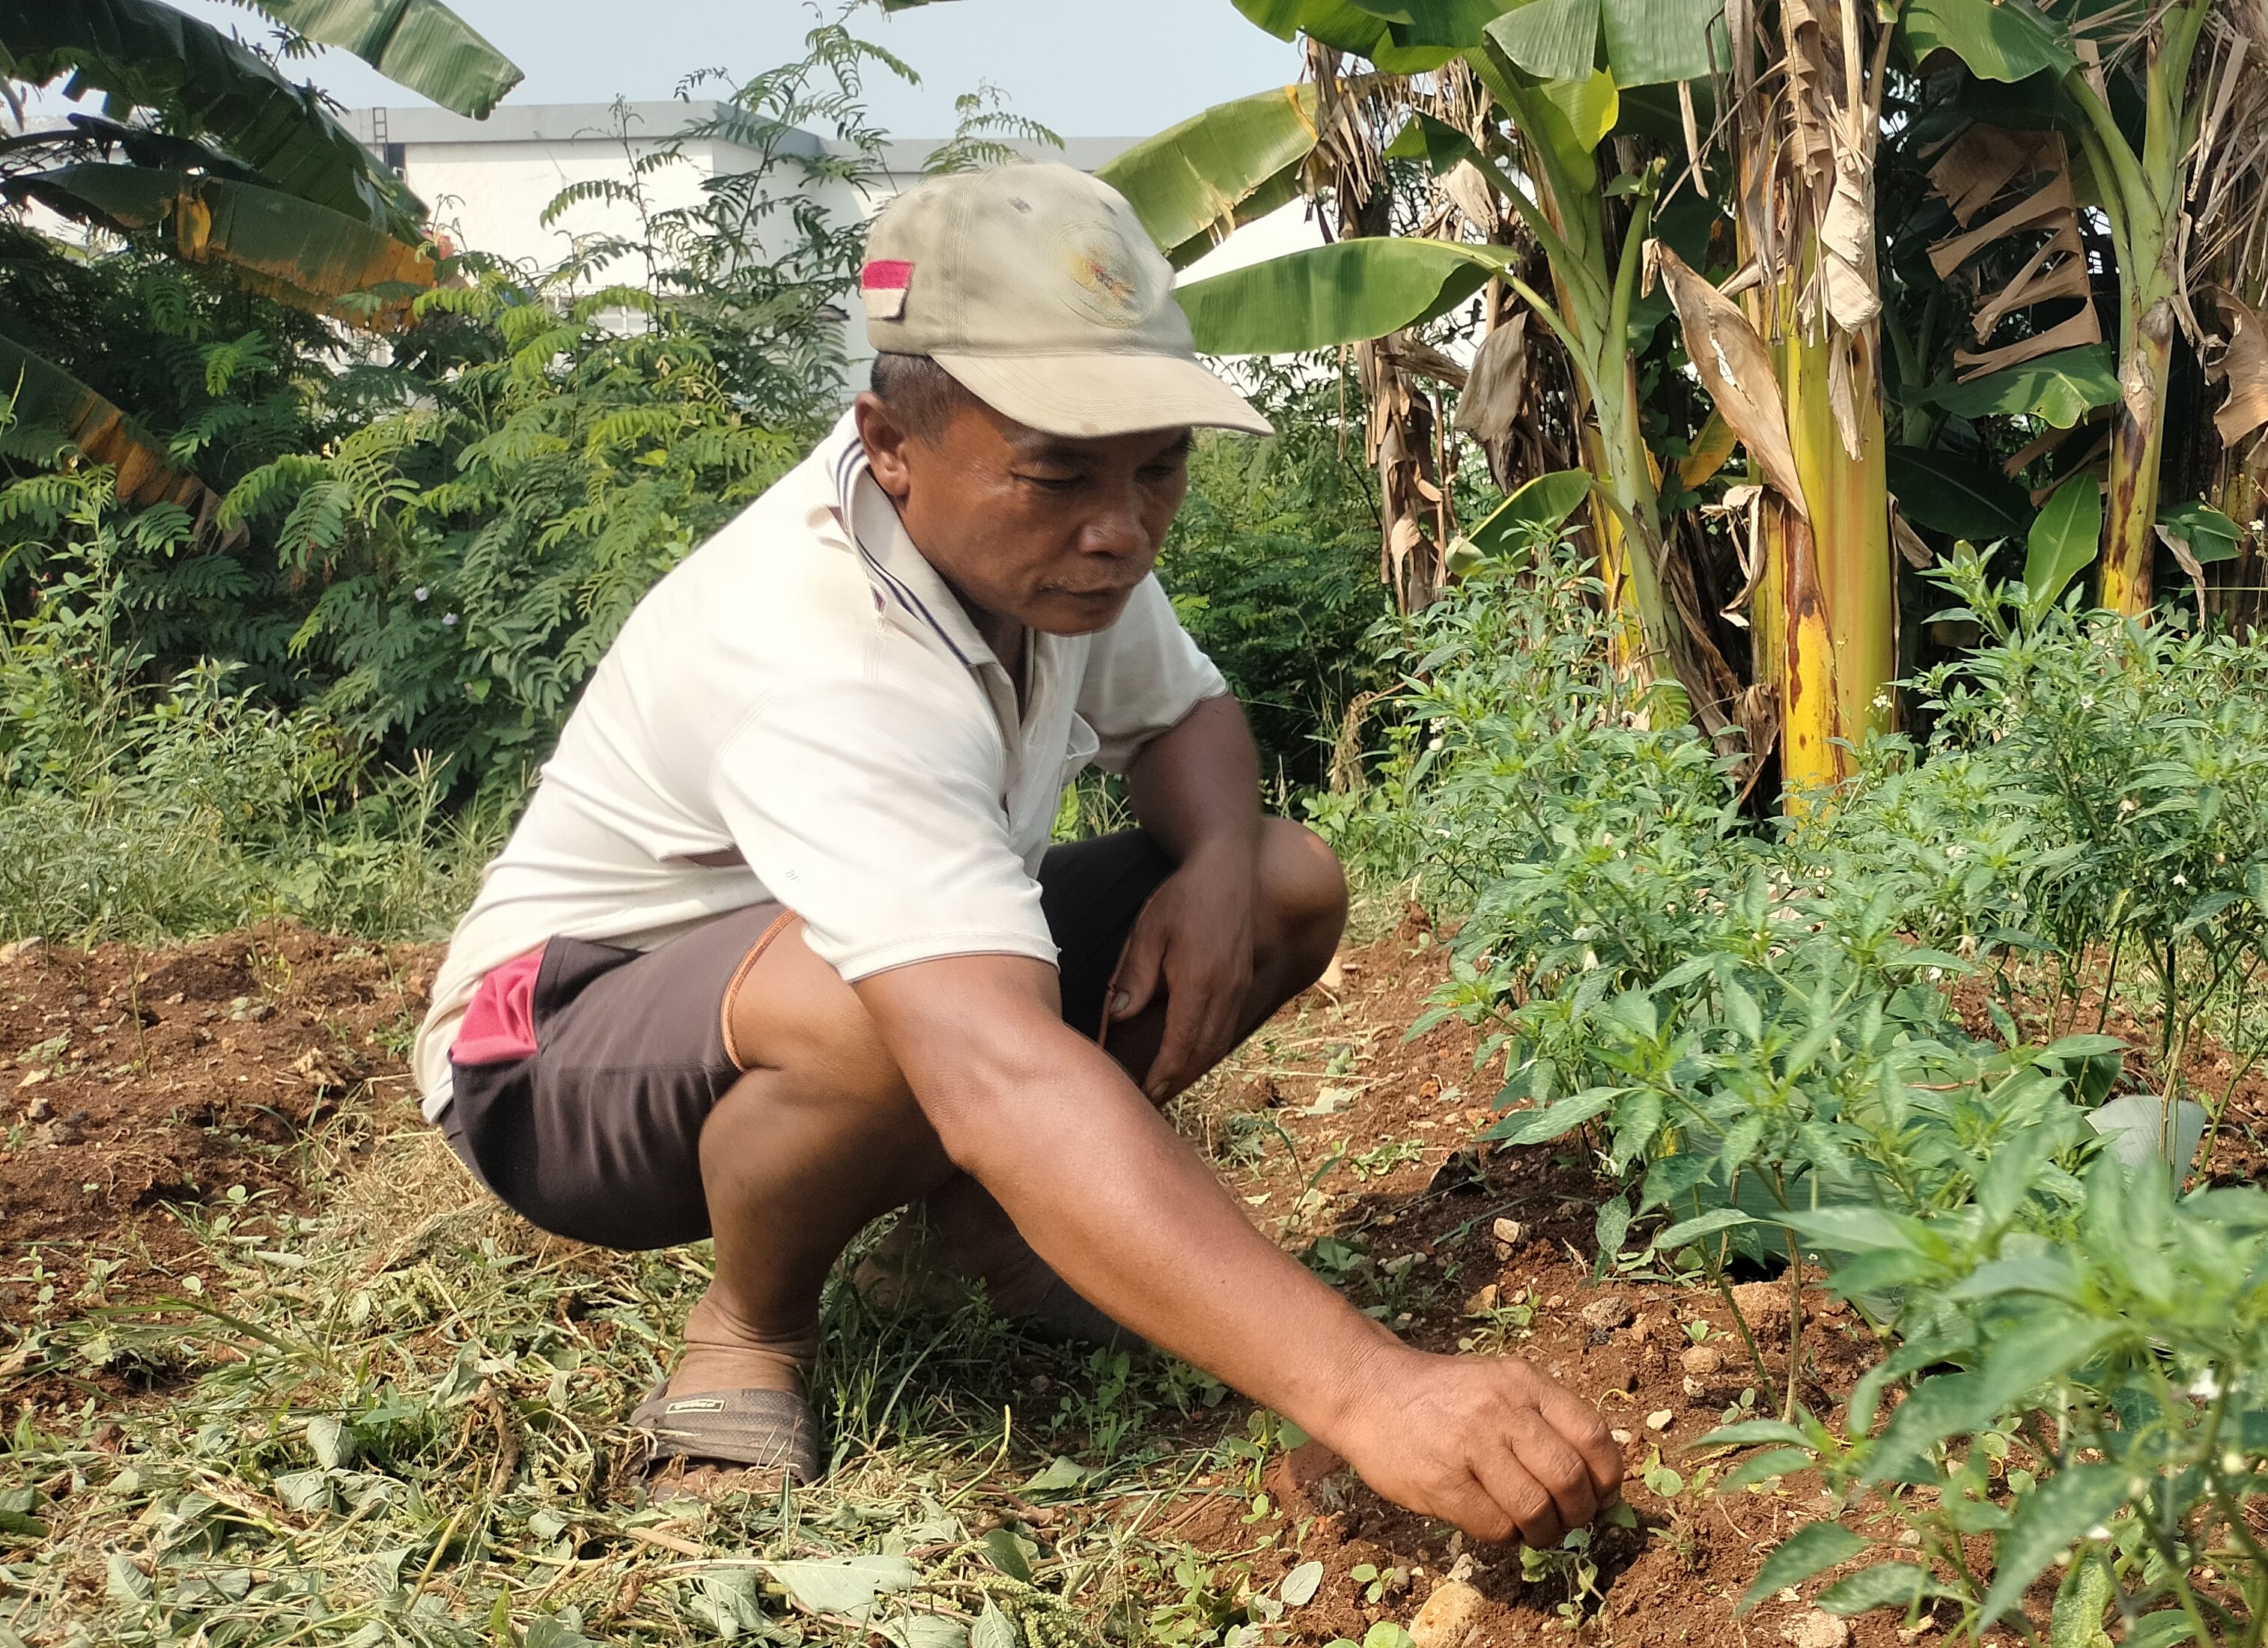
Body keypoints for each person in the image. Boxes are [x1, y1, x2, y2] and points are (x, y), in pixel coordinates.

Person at [408, 163, 1620, 1545]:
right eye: (1060, 473)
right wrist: (1370, 1389)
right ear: (891, 442)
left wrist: (1217, 865)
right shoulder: (817, 650)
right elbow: (986, 1065)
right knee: (901, 1017)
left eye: (1160, 467)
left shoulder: (1051, 552)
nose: (1120, 529)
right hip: (550, 1048)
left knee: (1285, 881)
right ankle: (750, 1330)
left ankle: (960, 1239)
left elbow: (1189, 718)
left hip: (833, 968)